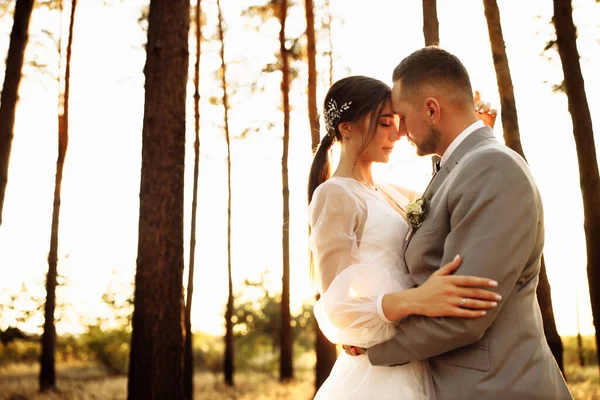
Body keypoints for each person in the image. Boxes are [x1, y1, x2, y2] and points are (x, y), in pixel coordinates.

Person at [344, 47, 572, 399]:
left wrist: (372, 350)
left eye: (403, 117)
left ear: (432, 109)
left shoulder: (493, 169)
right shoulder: (458, 169)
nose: (400, 131)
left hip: (499, 388)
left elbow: (465, 313)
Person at [308, 75, 501, 399]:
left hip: (418, 356)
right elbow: (337, 305)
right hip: (378, 377)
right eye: (384, 123)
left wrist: (474, 135)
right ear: (346, 128)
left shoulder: (392, 192)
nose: (397, 133)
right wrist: (419, 299)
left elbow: (450, 194)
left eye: (397, 122)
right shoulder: (335, 194)